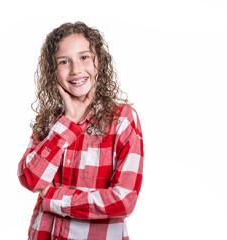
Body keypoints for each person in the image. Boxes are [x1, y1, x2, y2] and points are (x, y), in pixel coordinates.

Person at [17, 21, 144, 240]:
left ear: (99, 62)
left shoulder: (123, 119)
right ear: (52, 71)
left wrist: (54, 198)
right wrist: (68, 121)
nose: (76, 69)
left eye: (84, 57)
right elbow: (30, 179)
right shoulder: (50, 120)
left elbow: (123, 200)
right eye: (64, 62)